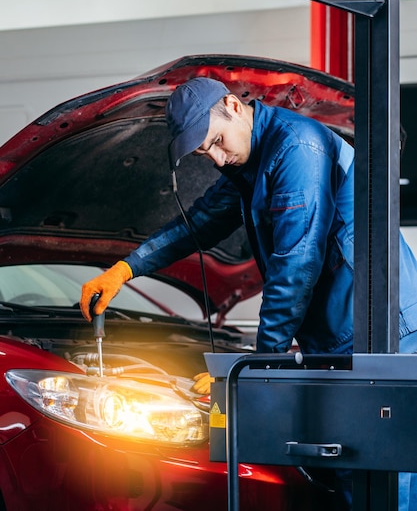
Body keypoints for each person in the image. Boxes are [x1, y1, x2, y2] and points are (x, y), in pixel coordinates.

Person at [79, 76, 417, 511]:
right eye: (206, 153)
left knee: (389, 473)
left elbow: (296, 265)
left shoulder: (297, 149)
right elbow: (199, 222)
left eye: (217, 141)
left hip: (386, 332)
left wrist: (258, 367)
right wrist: (127, 268)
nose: (218, 158)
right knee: (349, 465)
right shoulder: (247, 163)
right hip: (338, 338)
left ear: (234, 106)